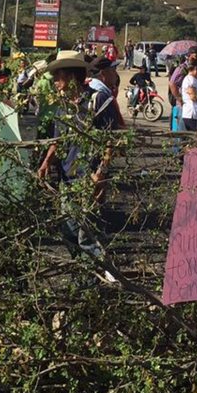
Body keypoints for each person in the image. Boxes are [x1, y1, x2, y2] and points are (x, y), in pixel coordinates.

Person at [37, 51, 120, 281]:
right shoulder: (63, 106)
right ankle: (87, 273)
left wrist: (101, 173)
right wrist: (46, 163)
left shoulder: (98, 101)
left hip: (89, 177)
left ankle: (102, 278)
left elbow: (111, 140)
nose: (55, 83)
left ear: (72, 77)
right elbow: (58, 140)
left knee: (87, 233)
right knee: (67, 229)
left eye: (59, 77)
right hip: (68, 176)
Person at [180, 63, 197, 133]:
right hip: (193, 115)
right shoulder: (190, 80)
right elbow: (194, 97)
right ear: (196, 69)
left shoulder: (194, 80)